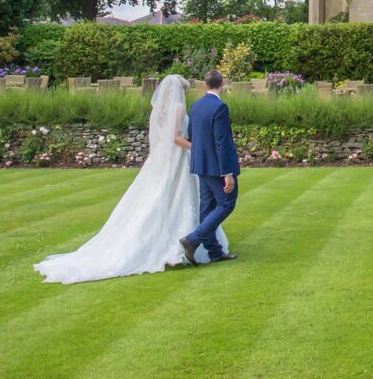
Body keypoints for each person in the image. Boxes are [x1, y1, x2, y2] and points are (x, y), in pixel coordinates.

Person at [34, 74, 227, 283]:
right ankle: (182, 244)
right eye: (184, 90)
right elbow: (175, 138)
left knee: (160, 196)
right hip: (178, 157)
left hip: (162, 159)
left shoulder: (160, 109)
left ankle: (179, 239)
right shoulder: (179, 108)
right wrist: (196, 148)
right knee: (181, 195)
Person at [178, 69, 240, 266]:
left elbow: (192, 135)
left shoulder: (195, 106)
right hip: (216, 166)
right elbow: (221, 141)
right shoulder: (220, 107)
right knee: (227, 203)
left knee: (207, 206)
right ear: (222, 84)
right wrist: (227, 173)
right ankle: (192, 239)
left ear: (205, 85)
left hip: (200, 163)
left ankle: (214, 251)